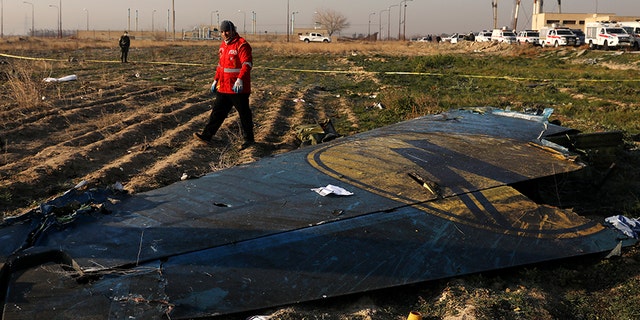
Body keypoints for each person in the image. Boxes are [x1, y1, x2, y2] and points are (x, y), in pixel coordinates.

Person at [194, 20, 255, 150]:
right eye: (222, 31)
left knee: (244, 114)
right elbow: (220, 66)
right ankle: (207, 136)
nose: (224, 34)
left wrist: (240, 79)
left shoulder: (242, 45)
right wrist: (216, 80)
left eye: (226, 31)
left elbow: (247, 64)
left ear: (233, 30)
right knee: (217, 112)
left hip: (238, 88)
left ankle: (249, 139)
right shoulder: (223, 46)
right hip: (224, 87)